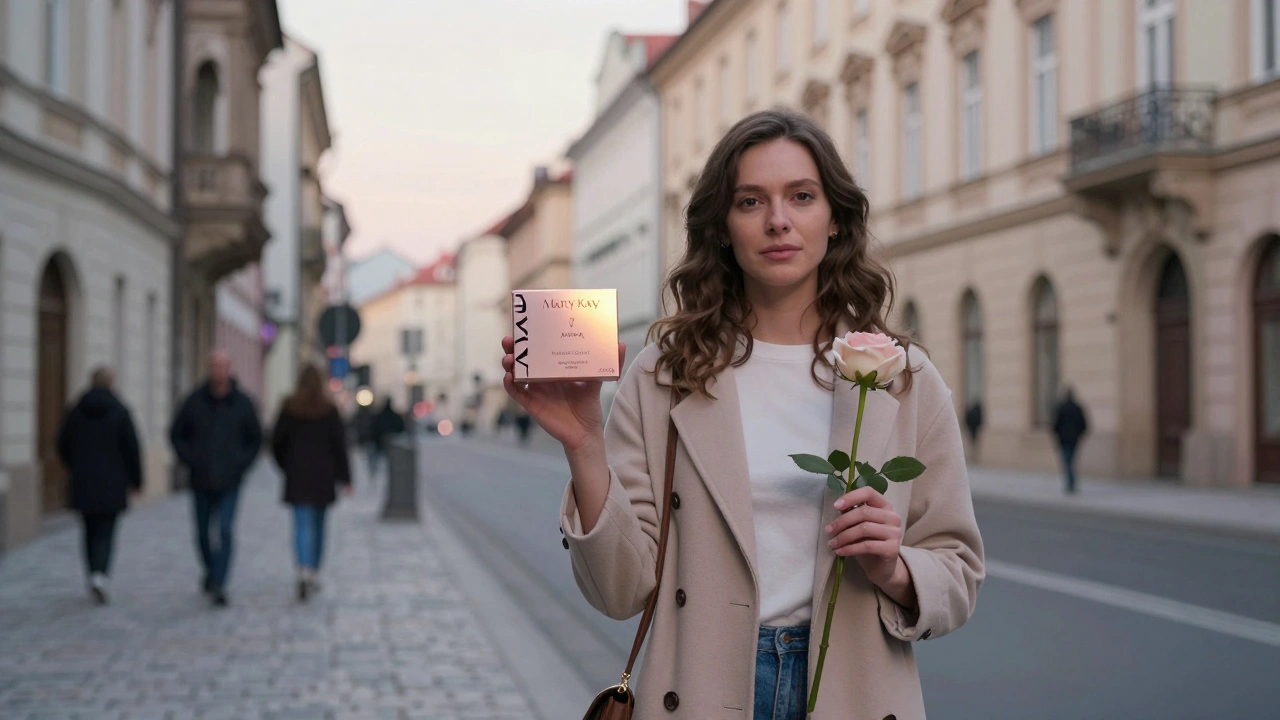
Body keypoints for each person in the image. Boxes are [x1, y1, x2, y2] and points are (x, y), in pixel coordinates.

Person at [502, 109, 983, 720]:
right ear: (722, 227)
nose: (778, 220)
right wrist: (583, 444)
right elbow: (620, 592)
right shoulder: (664, 375)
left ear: (835, 219)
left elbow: (958, 571)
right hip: (703, 688)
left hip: (853, 692)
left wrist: (895, 568)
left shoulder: (903, 376)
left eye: (801, 197)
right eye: (750, 201)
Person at [170, 350, 263, 607]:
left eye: (222, 366)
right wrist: (190, 459)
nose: (218, 371)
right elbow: (177, 433)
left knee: (224, 529)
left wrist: (241, 463)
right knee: (201, 533)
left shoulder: (243, 402)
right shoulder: (194, 401)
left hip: (230, 480)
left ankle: (220, 582)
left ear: (229, 369)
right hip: (200, 479)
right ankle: (211, 571)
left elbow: (255, 438)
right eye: (214, 366)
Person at [56, 366, 142, 605]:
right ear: (112, 383)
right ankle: (100, 574)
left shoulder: (76, 411)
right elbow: (131, 448)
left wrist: (75, 465)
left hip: (83, 480)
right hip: (112, 482)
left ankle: (92, 573)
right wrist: (136, 479)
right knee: (107, 530)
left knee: (89, 530)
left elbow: (62, 444)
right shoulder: (120, 411)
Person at [271, 364, 352, 601]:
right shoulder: (329, 409)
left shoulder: (289, 407)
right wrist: (345, 477)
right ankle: (314, 571)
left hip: (298, 474)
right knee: (319, 525)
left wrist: (286, 466)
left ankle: (303, 569)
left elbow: (277, 442)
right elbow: (340, 446)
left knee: (301, 524)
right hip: (323, 475)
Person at [1052, 388, 1089, 495]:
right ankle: (1071, 481)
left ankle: (1070, 482)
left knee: (1067, 462)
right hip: (1074, 440)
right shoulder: (1077, 408)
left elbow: (1055, 425)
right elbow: (1084, 425)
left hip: (1064, 440)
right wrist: (1079, 436)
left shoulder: (1061, 408)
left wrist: (1058, 437)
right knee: (1071, 460)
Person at [368, 398, 406, 476]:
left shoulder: (379, 416)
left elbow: (373, 429)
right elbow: (401, 428)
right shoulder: (394, 416)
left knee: (377, 466)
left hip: (379, 444)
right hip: (390, 445)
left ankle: (374, 475)